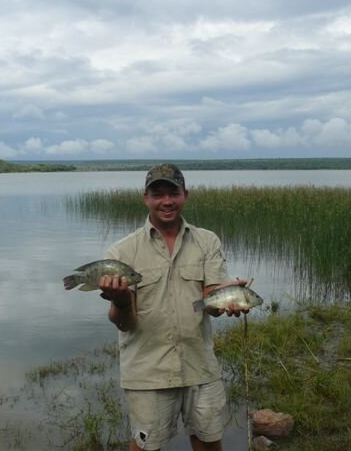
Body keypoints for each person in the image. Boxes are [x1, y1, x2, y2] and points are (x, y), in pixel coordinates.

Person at [98, 163, 248, 451]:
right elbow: (123, 323)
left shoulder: (207, 241)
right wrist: (120, 300)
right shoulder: (121, 252)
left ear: (185, 195)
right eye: (158, 194)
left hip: (200, 367)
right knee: (145, 447)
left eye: (173, 193)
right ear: (146, 198)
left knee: (208, 442)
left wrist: (229, 298)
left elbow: (210, 302)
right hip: (147, 371)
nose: (167, 201)